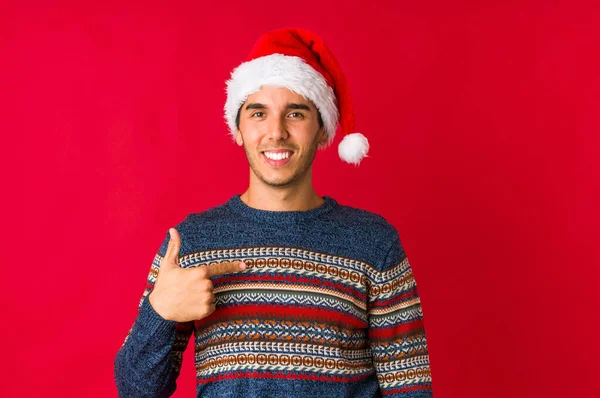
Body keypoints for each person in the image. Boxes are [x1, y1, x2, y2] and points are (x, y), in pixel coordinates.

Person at [114, 27, 433, 397]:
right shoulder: (192, 243)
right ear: (238, 129)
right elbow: (135, 390)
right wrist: (160, 311)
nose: (276, 132)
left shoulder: (374, 243)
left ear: (321, 130)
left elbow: (411, 390)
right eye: (258, 113)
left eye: (295, 113)